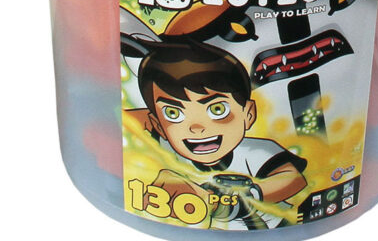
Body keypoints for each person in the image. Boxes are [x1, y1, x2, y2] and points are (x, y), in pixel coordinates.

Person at [128, 39, 307, 229]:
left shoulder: (255, 152)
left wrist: (248, 196)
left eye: (217, 109)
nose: (196, 127)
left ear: (248, 114)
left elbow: (293, 179)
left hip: (275, 226)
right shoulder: (168, 146)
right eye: (173, 113)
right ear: (159, 126)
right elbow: (122, 116)